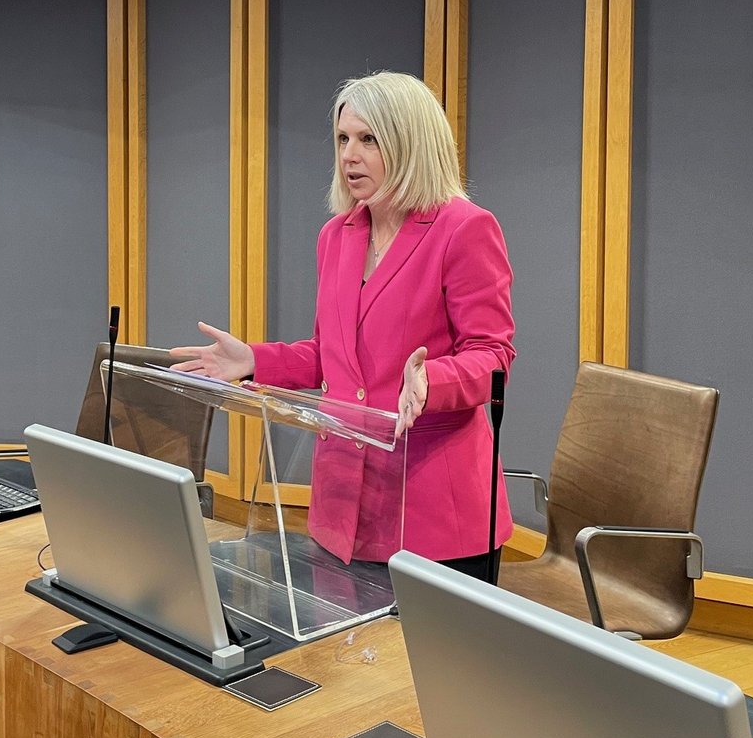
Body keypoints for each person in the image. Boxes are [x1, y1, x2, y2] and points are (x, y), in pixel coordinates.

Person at [172, 71, 514, 579]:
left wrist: (432, 380)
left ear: (410, 142)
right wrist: (254, 361)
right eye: (342, 139)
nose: (349, 155)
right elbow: (328, 353)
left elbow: (493, 356)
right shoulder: (336, 235)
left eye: (368, 139)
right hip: (343, 505)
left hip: (435, 512)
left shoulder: (464, 229)